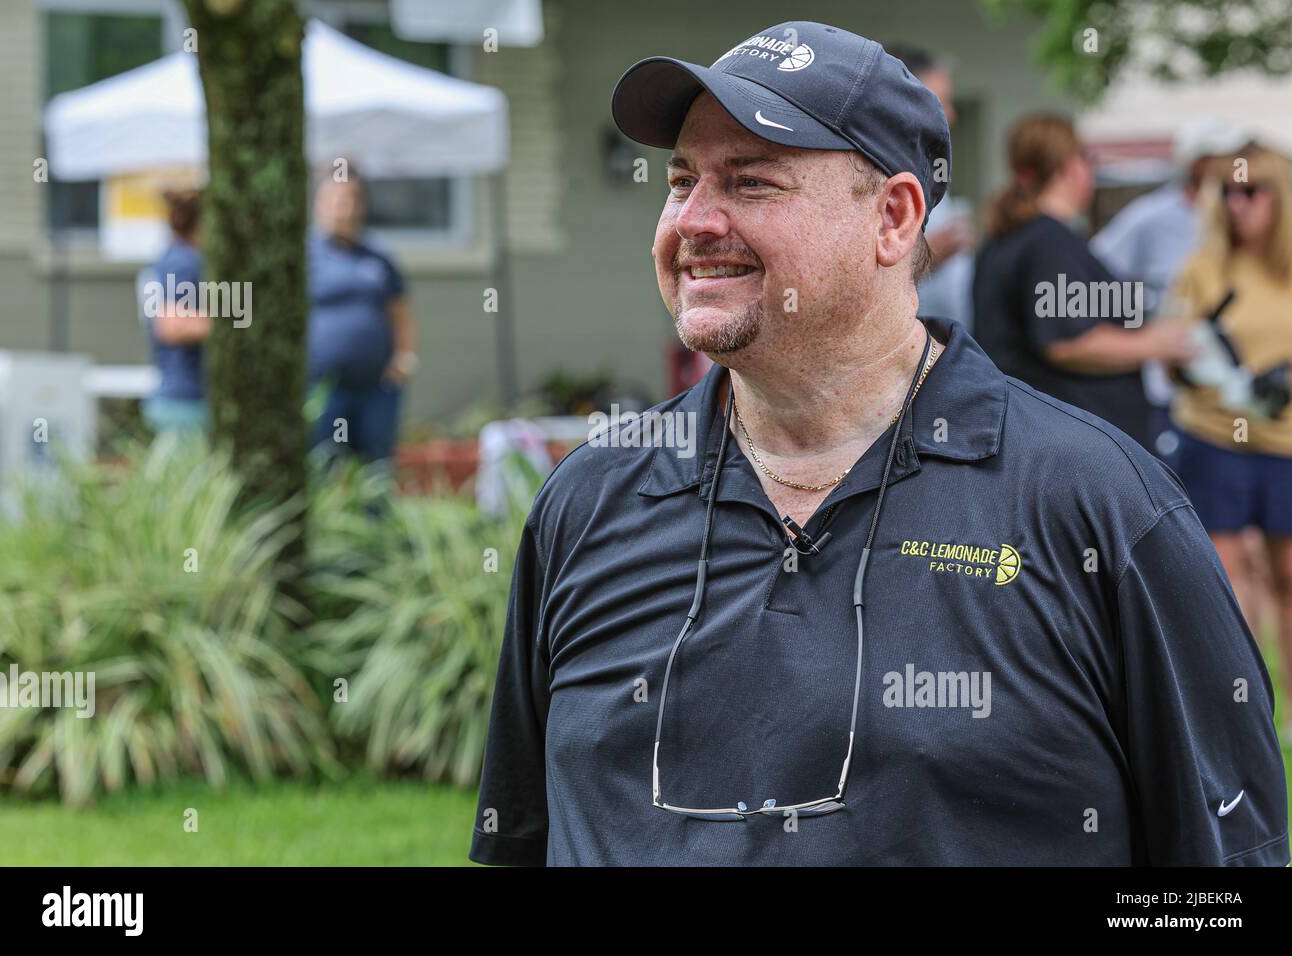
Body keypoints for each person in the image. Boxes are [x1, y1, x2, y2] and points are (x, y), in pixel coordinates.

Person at [470, 21, 1287, 866]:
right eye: (681, 181)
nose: (694, 221)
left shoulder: (1097, 509)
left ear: (893, 217)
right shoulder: (591, 501)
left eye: (751, 183)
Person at [972, 114, 1195, 450]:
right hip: (1073, 443)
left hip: (1035, 433)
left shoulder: (1006, 237)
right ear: (1070, 166)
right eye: (1086, 159)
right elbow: (1067, 342)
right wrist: (1157, 344)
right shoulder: (1048, 242)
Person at [1167, 142, 1292, 726]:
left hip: (1286, 446)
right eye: (1228, 192)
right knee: (1228, 571)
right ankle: (1243, 710)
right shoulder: (1202, 268)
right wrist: (1196, 365)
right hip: (1214, 437)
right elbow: (1170, 351)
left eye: (1251, 191)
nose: (1237, 204)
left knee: (1287, 574)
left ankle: (1289, 710)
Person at [1092, 117, 1252, 459]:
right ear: (1197, 163)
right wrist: (1142, 328)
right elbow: (1092, 277)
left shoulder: (1249, 217)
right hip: (1171, 396)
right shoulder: (1151, 217)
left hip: (1240, 395)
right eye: (1224, 156)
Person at [307, 166, 418, 464]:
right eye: (335, 200)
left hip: (377, 388)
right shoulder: (305, 255)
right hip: (322, 387)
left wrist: (404, 358)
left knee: (376, 471)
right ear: (319, 204)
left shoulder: (379, 257)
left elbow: (400, 311)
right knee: (323, 466)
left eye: (350, 200)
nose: (343, 208)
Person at [885, 43, 975, 330]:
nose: (951, 116)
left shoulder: (930, 170)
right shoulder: (873, 175)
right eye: (940, 102)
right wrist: (931, 254)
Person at [140, 189, 209, 433]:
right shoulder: (183, 261)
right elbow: (171, 324)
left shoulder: (170, 258)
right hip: (185, 401)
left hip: (176, 399)